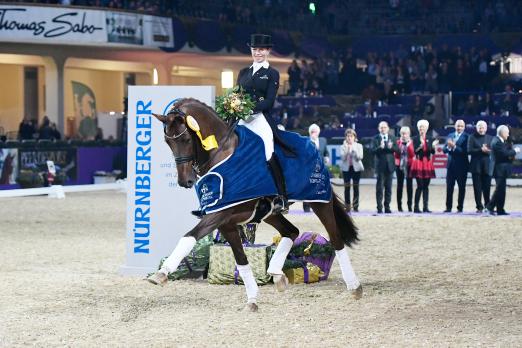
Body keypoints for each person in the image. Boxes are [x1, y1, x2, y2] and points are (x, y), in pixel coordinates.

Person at [236, 34, 287, 213]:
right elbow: (236, 95)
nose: (258, 52)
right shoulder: (243, 73)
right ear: (251, 50)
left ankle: (281, 197)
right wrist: (233, 107)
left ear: (267, 51)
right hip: (241, 117)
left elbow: (269, 101)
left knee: (268, 150)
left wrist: (249, 109)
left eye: (261, 49)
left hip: (259, 118)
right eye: (255, 49)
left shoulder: (271, 73)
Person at [485, 125, 520, 215]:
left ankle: (500, 209)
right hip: (498, 170)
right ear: (503, 133)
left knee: (501, 190)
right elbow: (504, 153)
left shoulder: (500, 141)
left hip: (501, 169)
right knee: (499, 189)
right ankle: (489, 207)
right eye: (507, 133)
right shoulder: (496, 142)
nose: (508, 135)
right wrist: (515, 151)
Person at [410, 119, 438, 213]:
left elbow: (432, 152)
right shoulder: (414, 139)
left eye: (424, 127)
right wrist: (420, 147)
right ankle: (416, 207)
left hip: (427, 163)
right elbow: (414, 151)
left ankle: (425, 207)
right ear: (418, 128)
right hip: (418, 163)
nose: (422, 129)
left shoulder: (431, 138)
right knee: (420, 185)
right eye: (420, 127)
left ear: (427, 128)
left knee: (426, 186)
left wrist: (433, 147)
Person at [443, 119, 469, 213]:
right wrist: (448, 147)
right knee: (449, 187)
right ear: (455, 126)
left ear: (464, 127)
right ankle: (448, 207)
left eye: (461, 126)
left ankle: (460, 207)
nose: (459, 128)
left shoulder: (467, 137)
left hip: (462, 166)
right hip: (450, 166)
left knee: (461, 187)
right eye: (458, 126)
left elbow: (465, 151)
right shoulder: (450, 135)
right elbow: (444, 150)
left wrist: (454, 147)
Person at [372, 121, 398, 213]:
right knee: (379, 188)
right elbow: (372, 151)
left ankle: (387, 207)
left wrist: (391, 147)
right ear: (379, 129)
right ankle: (379, 207)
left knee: (388, 188)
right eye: (381, 127)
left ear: (388, 128)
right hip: (380, 167)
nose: (383, 129)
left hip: (390, 166)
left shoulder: (392, 138)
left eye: (384, 127)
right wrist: (380, 147)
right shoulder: (375, 138)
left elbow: (397, 150)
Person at [303, 124, 330, 212]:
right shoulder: (306, 141)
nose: (314, 133)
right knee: (307, 187)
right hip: (308, 168)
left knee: (319, 187)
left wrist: (327, 157)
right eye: (312, 131)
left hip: (320, 168)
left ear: (318, 132)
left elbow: (326, 152)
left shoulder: (323, 140)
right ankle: (306, 207)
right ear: (310, 133)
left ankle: (318, 206)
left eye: (315, 131)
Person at [467, 121, 492, 213]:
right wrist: (480, 150)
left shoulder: (490, 138)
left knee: (487, 187)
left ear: (486, 128)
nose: (481, 129)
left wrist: (487, 151)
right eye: (479, 127)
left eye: (483, 127)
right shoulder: (472, 137)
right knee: (477, 188)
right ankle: (479, 206)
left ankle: (488, 205)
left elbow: (493, 151)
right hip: (475, 166)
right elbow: (469, 150)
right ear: (476, 128)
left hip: (487, 166)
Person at [340, 128, 364, 212]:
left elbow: (360, 157)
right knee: (347, 188)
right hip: (346, 169)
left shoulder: (359, 146)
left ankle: (356, 206)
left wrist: (354, 151)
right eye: (348, 136)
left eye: (351, 136)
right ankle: (347, 206)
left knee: (356, 187)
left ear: (354, 137)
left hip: (356, 169)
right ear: (346, 137)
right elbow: (342, 158)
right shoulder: (342, 146)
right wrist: (347, 150)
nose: (349, 138)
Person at [394, 126, 414, 212]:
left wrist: (409, 146)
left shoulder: (412, 142)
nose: (403, 135)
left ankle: (409, 205)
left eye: (405, 133)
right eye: (402, 133)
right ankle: (399, 206)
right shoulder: (397, 142)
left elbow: (413, 154)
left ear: (409, 134)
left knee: (409, 185)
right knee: (400, 185)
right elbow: (396, 155)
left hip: (409, 165)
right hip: (399, 165)